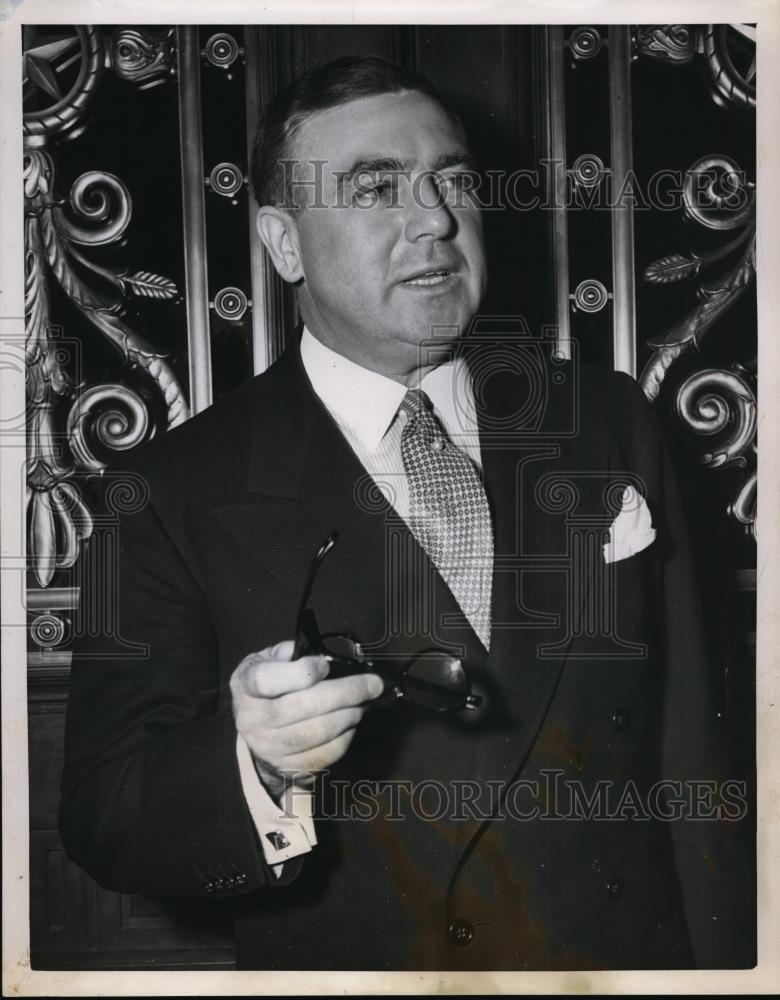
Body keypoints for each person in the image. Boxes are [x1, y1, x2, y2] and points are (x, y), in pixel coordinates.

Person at [59, 56, 753, 971]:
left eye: (453, 181)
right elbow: (107, 816)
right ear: (284, 244)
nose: (434, 219)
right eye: (375, 187)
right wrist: (258, 768)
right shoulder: (166, 493)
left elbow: (695, 755)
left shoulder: (608, 419)